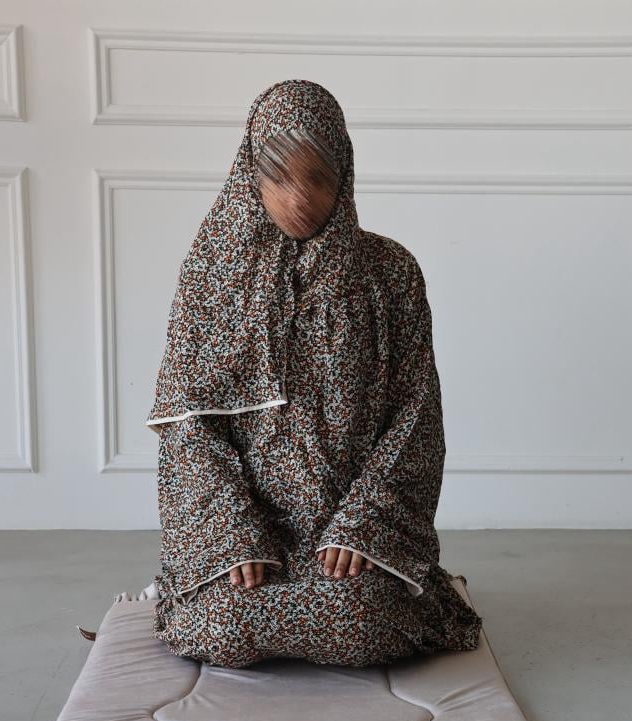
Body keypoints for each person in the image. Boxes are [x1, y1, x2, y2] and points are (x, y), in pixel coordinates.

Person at [142, 78, 483, 669]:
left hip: (347, 538)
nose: (299, 198)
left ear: (344, 176)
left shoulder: (390, 273)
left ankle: (359, 574)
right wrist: (232, 533)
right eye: (279, 178)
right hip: (249, 537)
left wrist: (362, 527)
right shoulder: (212, 274)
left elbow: (416, 416)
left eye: (318, 178)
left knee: (357, 623)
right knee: (220, 627)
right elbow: (187, 424)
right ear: (250, 176)